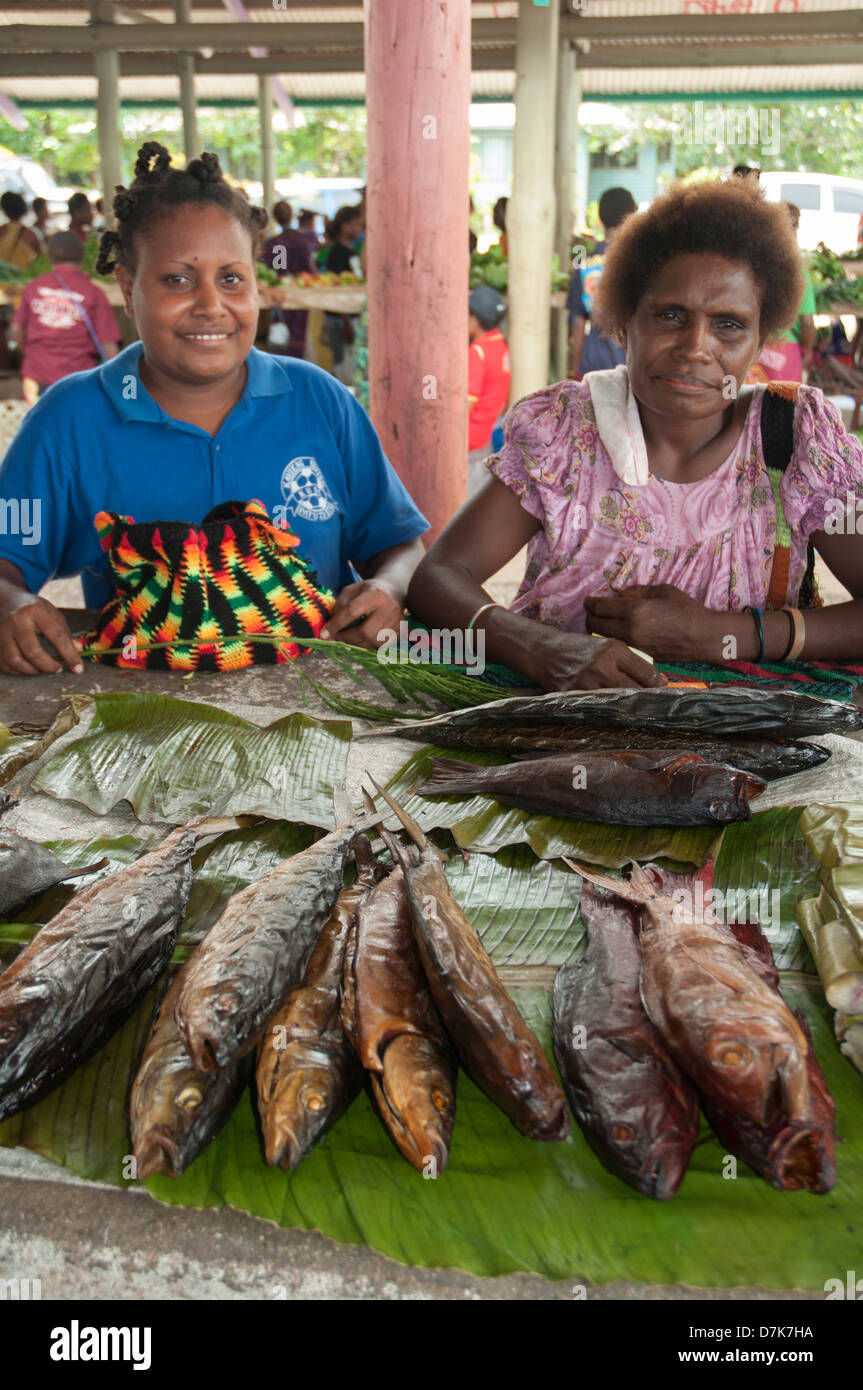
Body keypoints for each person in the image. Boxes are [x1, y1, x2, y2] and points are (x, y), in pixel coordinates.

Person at [407, 178, 863, 692]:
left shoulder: (794, 442)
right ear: (624, 323)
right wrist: (539, 648)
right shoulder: (568, 433)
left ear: (761, 341)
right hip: (562, 735)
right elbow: (438, 578)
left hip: (742, 750)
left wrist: (725, 634)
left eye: (729, 325)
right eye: (670, 315)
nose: (695, 347)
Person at [0, 142, 429, 678]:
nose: (210, 304)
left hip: (321, 706)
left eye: (231, 278)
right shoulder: (70, 419)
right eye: (177, 279)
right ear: (129, 289)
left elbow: (400, 547)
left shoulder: (320, 401)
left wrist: (388, 589)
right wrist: (11, 605)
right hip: (142, 716)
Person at [8, 230, 122, 406]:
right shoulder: (93, 293)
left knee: (43, 427)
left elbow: (16, 330)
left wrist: (31, 353)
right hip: (79, 379)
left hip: (37, 375)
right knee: (75, 428)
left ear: (50, 257)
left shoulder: (33, 288)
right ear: (82, 257)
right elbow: (109, 346)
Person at [568, 186, 637, 378]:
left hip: (592, 363)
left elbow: (578, 322)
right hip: (629, 363)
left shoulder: (583, 265)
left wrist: (577, 368)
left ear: (601, 218)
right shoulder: (638, 262)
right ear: (631, 215)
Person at [747, 202, 816, 384]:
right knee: (785, 404)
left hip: (755, 345)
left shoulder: (754, 261)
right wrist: (807, 349)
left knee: (751, 403)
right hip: (786, 348)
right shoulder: (799, 268)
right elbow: (807, 322)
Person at [467, 285, 511, 495]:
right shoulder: (500, 345)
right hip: (486, 437)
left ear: (475, 320)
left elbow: (467, 403)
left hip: (470, 444)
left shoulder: (477, 351)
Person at [262, 200, 313, 360]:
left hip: (283, 295)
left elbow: (279, 270)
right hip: (298, 294)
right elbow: (308, 268)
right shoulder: (300, 240)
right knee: (295, 335)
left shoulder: (278, 243)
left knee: (283, 334)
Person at [0, 192, 40, 269]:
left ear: (4, 210)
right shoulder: (32, 234)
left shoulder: (1, 231)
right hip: (24, 279)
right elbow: (42, 263)